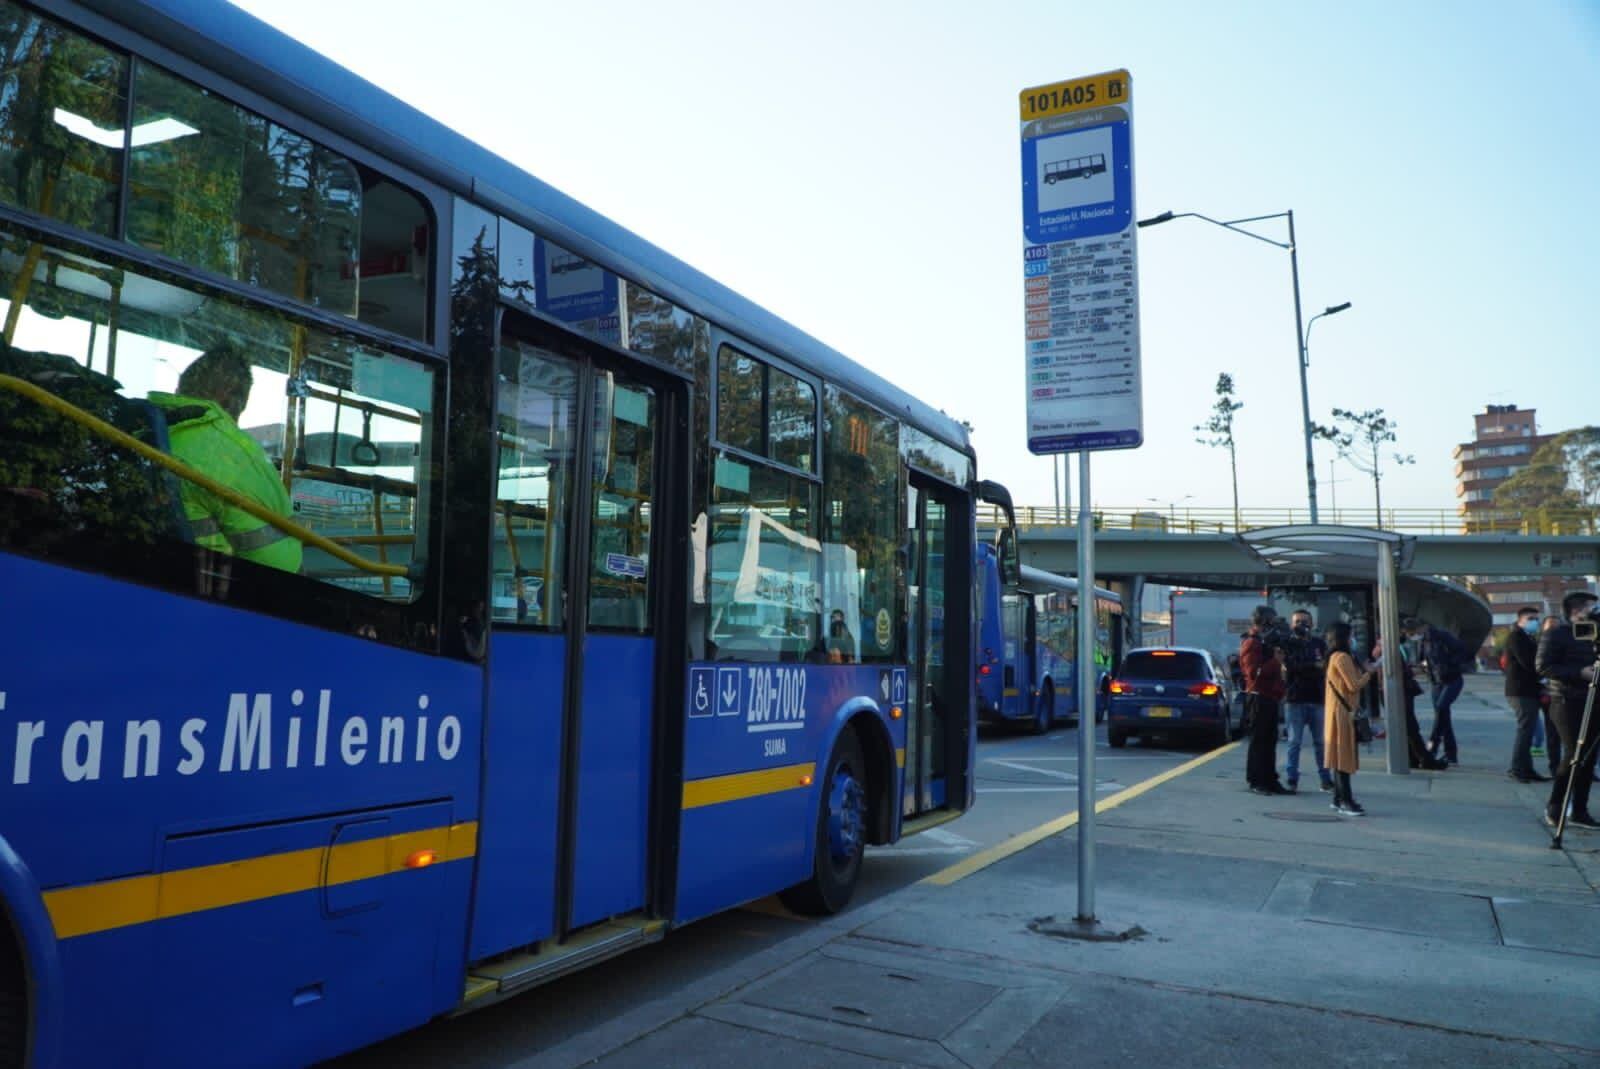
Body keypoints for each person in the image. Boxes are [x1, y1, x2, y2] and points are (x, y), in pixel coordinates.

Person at [150, 346, 302, 572]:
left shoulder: (147, 428)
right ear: (230, 395)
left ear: (181, 386)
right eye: (241, 406)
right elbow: (277, 563)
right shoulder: (235, 454)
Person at [1536, 591, 1600, 831]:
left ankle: (1580, 810)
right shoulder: (1557, 634)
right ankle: (1555, 806)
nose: (1595, 613)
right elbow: (1543, 666)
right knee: (1574, 755)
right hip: (1566, 700)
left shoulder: (1594, 635)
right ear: (1577, 611)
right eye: (1591, 608)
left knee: (1588, 758)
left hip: (1593, 700)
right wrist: (1579, 672)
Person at [1281, 610, 1333, 793]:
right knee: (1294, 742)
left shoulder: (1318, 643)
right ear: (1291, 624)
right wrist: (1311, 666)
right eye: (1297, 622)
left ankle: (1325, 778)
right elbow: (1291, 667)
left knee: (1320, 742)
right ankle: (1292, 778)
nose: (1301, 625)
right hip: (1295, 699)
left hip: (1317, 698)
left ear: (1312, 623)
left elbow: (1325, 667)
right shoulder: (1288, 644)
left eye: (1304, 622)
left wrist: (1308, 667)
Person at [1239, 605, 1290, 796]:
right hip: (1259, 697)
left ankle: (1270, 779)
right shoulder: (1252, 643)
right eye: (1271, 621)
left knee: (1270, 741)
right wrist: (1275, 661)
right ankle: (1256, 780)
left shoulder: (1265, 643)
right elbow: (1253, 673)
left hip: (1270, 696)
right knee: (1259, 741)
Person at [1325, 621, 1374, 816]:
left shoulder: (1335, 656)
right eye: (1351, 635)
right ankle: (1345, 800)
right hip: (1342, 715)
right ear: (1344, 637)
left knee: (1339, 758)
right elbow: (1353, 685)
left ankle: (1339, 799)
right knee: (1343, 758)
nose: (1353, 638)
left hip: (1337, 712)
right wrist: (1369, 673)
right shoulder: (1342, 658)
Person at [1503, 606, 1549, 784]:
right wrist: (1544, 679)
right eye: (1531, 618)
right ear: (1520, 620)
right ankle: (1516, 768)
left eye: (1536, 619)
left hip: (1528, 690)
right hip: (1520, 691)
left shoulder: (1528, 637)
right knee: (1525, 730)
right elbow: (1528, 663)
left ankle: (1527, 769)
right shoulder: (1516, 636)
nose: (1535, 622)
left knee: (1528, 731)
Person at [1414, 618, 1467, 765]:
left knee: (1441, 709)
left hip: (1452, 680)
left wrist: (1450, 664)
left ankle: (1432, 747)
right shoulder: (1422, 642)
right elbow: (1422, 661)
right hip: (1436, 683)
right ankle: (1451, 754)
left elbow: (1462, 650)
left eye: (1416, 630)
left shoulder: (1442, 636)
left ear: (1424, 626)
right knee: (1444, 717)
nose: (1415, 633)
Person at [1539, 614, 1564, 777]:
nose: (1554, 629)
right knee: (1553, 733)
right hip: (1549, 695)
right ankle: (1555, 767)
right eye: (1550, 626)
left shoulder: (1567, 644)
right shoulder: (1540, 645)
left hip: (1570, 694)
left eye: (1557, 626)